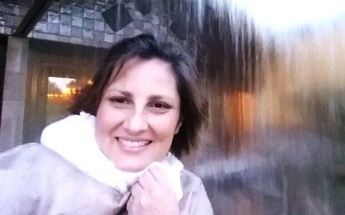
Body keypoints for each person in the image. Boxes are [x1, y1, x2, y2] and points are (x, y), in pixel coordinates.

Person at [0, 34, 213, 214]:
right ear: (97, 106)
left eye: (158, 105)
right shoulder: (28, 170)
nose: (135, 125)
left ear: (179, 123)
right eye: (120, 100)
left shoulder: (189, 194)